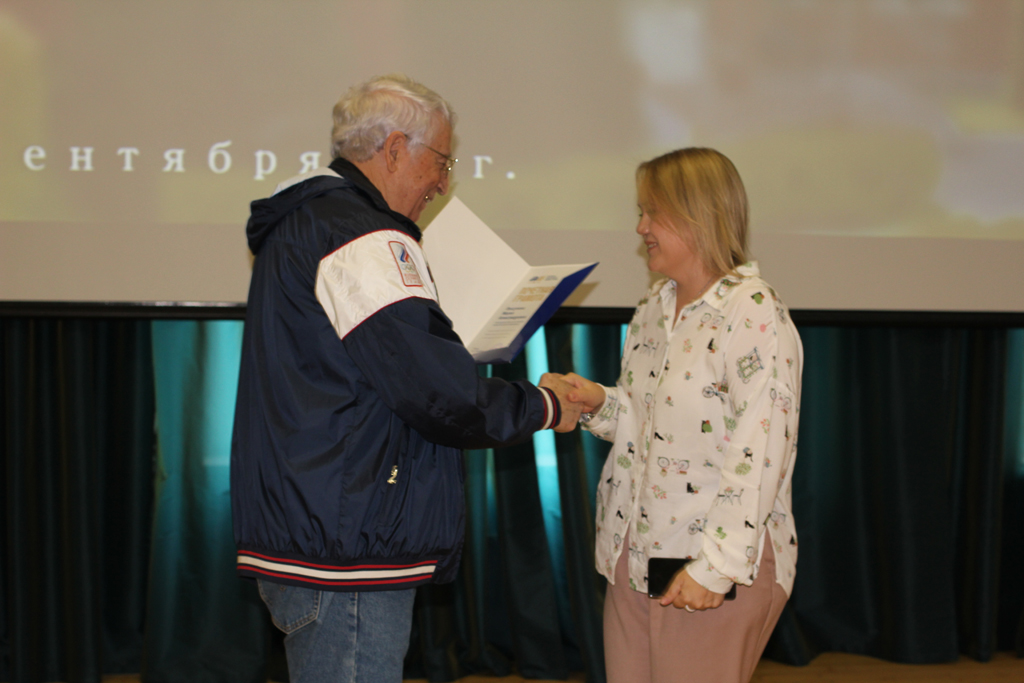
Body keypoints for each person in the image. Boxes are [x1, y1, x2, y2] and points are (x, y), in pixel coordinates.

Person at [229, 74, 581, 683]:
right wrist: (545, 405)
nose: (442, 183)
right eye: (441, 161)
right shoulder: (361, 236)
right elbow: (439, 394)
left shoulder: (310, 222)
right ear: (394, 150)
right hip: (348, 540)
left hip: (322, 525)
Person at [559, 148, 803, 683]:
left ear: (699, 216)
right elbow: (646, 424)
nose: (641, 227)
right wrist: (598, 401)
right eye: (640, 212)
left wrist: (715, 568)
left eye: (653, 212)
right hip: (632, 554)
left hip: (706, 560)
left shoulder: (751, 310)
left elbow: (762, 448)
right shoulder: (653, 307)